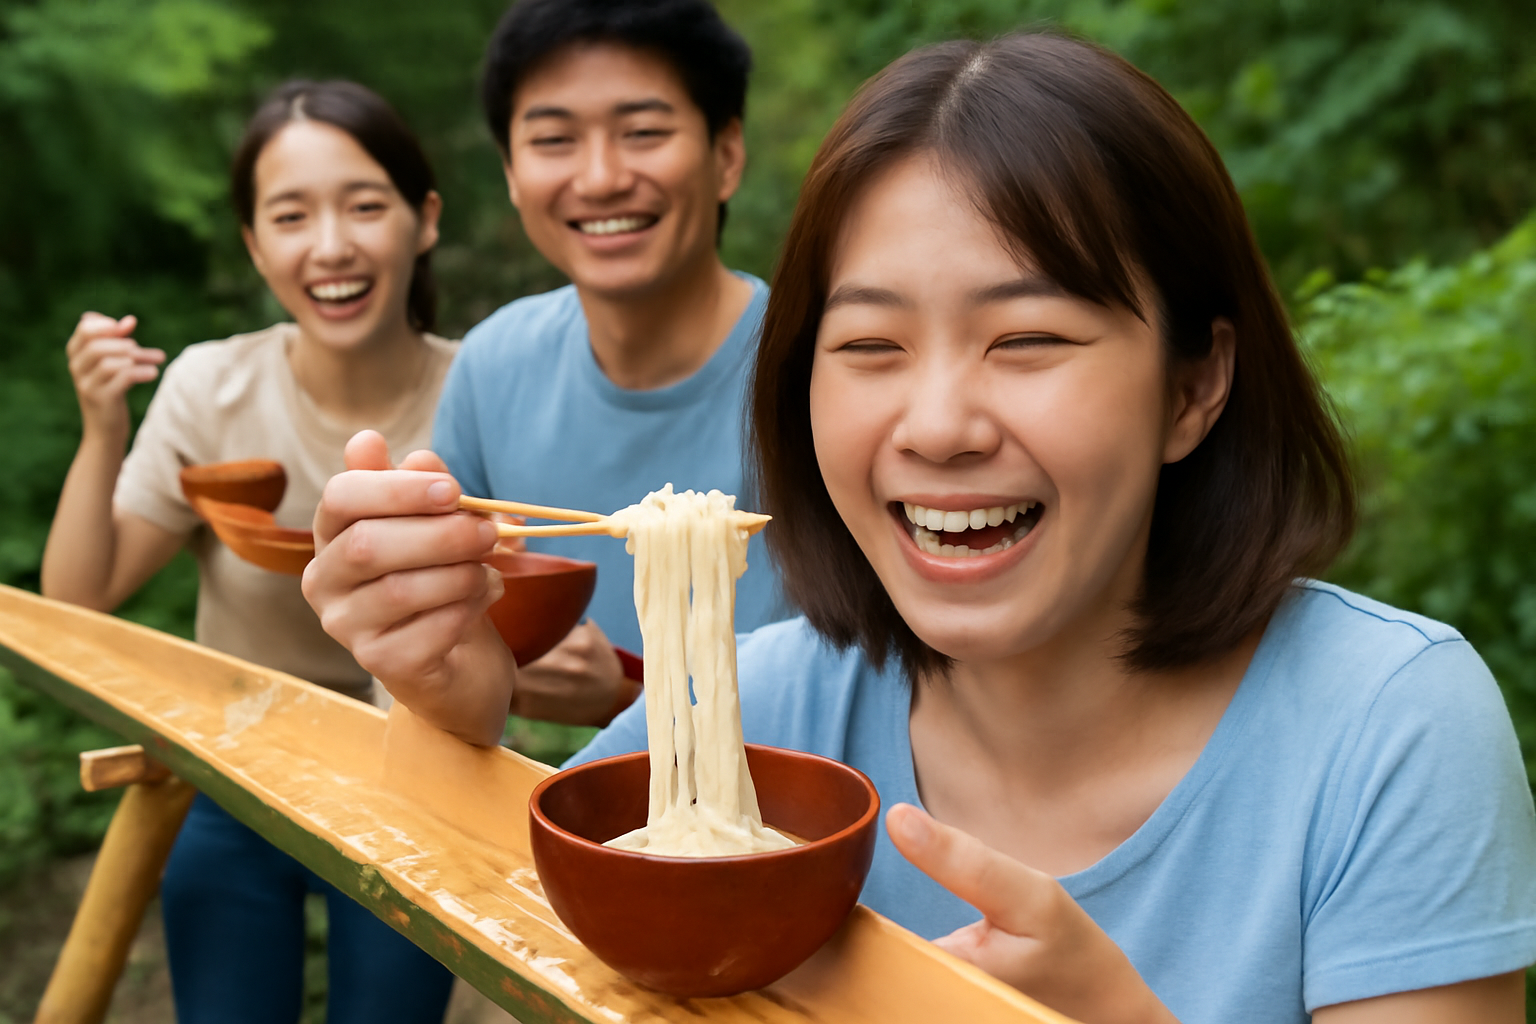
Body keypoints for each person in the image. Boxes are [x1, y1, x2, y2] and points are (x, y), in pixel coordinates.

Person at [298, 32, 1536, 1024]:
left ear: (1194, 384)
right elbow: (513, 924)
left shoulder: (1386, 724)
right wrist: (451, 704)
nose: (938, 424)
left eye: (1030, 339)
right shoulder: (756, 707)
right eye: (870, 347)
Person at [41, 80, 457, 1024]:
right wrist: (103, 428)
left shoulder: (480, 388)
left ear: (422, 220)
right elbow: (78, 599)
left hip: (419, 788)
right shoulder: (210, 388)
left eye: (363, 205)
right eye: (290, 215)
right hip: (237, 771)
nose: (331, 244)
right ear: (254, 244)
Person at [414, 0, 782, 727]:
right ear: (513, 175)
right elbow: (445, 629)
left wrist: (631, 698)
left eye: (643, 133)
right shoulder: (495, 363)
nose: (602, 176)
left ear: (726, 156)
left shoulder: (815, 365)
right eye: (554, 140)